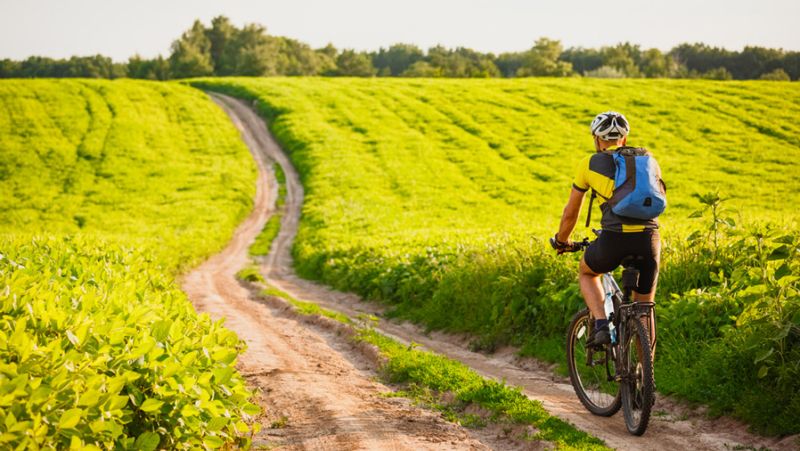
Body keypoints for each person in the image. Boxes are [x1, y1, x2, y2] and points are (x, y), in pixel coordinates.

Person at [552, 111, 661, 348]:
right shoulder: (648, 161)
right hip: (649, 238)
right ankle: (645, 377)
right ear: (623, 139)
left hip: (615, 239)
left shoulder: (589, 163)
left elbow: (571, 212)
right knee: (645, 311)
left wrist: (562, 241)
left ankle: (601, 324)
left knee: (587, 272)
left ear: (597, 139)